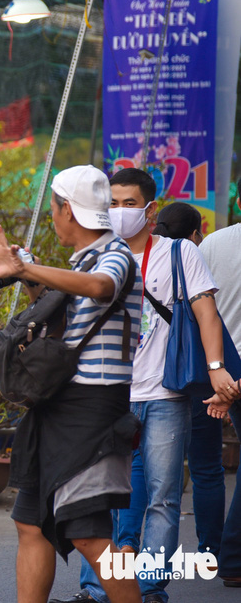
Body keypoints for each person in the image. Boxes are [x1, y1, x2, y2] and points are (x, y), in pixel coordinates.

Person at [55, 170, 236, 603]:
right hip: (108, 395)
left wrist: (216, 368)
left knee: (162, 495)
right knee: (101, 495)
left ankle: (150, 587)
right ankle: (98, 589)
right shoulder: (96, 255)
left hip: (164, 395)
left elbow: (206, 312)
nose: (120, 212)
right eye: (113, 203)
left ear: (150, 209)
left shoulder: (178, 253)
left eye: (129, 203)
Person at [0, 164, 143, 603]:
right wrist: (21, 273)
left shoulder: (115, 255)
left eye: (54, 208)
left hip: (93, 408)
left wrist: (29, 267)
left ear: (66, 210)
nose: (53, 216)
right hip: (55, 402)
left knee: (88, 532)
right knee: (31, 522)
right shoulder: (79, 261)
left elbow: (99, 287)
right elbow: (63, 313)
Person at [155, 201, 226, 560]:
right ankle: (211, 550)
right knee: (206, 467)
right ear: (195, 234)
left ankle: (129, 553)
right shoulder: (195, 256)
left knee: (143, 473)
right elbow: (209, 317)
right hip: (198, 376)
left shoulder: (144, 258)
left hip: (151, 379)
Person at [199, 179, 241, 588]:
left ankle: (227, 556)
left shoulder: (212, 243)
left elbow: (202, 304)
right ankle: (231, 558)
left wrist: (218, 369)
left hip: (220, 361)